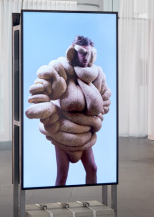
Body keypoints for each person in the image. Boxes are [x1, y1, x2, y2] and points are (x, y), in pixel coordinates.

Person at [24, 35, 111, 186]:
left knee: (92, 168)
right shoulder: (61, 70)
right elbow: (42, 87)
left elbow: (104, 98)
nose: (86, 57)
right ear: (73, 52)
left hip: (83, 133)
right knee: (62, 173)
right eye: (82, 53)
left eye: (89, 53)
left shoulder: (96, 75)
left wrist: (95, 120)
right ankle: (58, 199)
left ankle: (90, 196)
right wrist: (49, 116)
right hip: (63, 131)